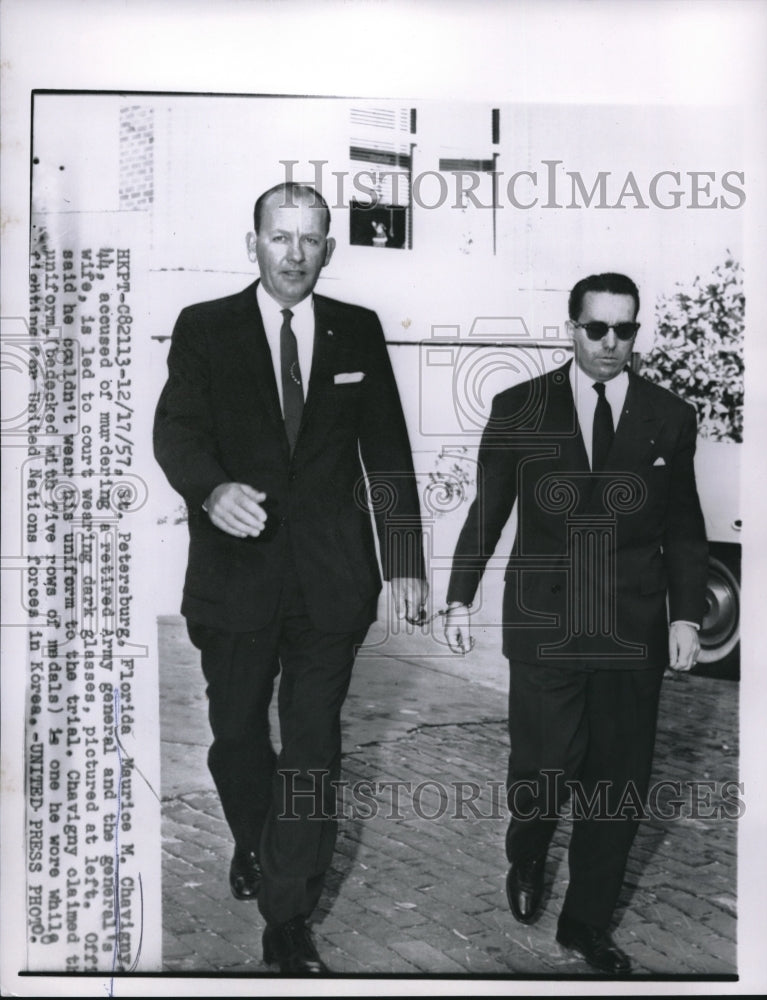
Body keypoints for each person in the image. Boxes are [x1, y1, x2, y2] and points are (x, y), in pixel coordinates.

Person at [153, 182, 427, 974]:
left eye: (311, 240)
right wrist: (210, 488)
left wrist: (404, 562)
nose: (295, 255)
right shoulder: (206, 328)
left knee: (311, 748)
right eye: (281, 238)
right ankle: (254, 837)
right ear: (254, 244)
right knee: (237, 734)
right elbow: (176, 428)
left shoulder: (356, 331)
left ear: (328, 249)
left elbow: (388, 452)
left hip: (332, 583)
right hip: (234, 578)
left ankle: (287, 912)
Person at [443, 272, 708, 974]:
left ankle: (585, 923)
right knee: (543, 765)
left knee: (618, 781)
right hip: (545, 618)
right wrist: (459, 594)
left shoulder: (667, 416)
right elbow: (487, 510)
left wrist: (685, 615)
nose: (611, 344)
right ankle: (527, 846)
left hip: (633, 624)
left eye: (625, 330)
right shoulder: (519, 407)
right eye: (597, 329)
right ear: (571, 327)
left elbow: (683, 526)